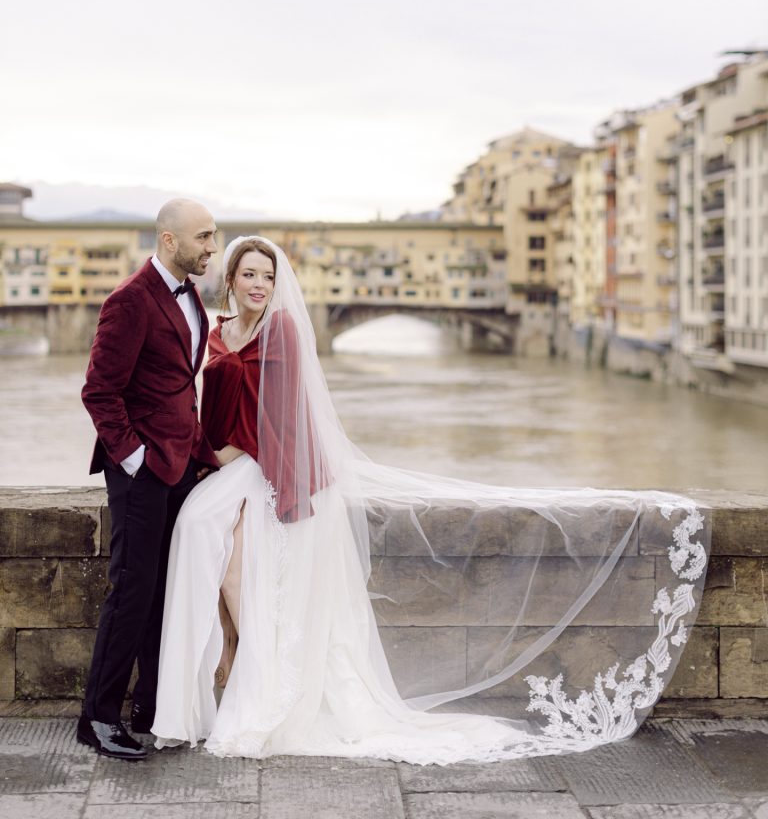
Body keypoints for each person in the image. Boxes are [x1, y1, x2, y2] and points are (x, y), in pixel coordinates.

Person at [152, 234, 709, 764]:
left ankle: (249, 668)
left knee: (228, 556)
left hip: (268, 463)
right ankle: (222, 655)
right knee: (204, 534)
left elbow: (288, 415)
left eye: (268, 276)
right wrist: (206, 453)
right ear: (230, 278)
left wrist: (245, 461)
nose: (259, 284)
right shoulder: (218, 331)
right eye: (249, 274)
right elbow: (200, 403)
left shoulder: (285, 331)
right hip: (224, 462)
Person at [77, 199, 219, 760]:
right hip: (141, 473)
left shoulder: (191, 299)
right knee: (131, 592)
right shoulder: (129, 301)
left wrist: (202, 455)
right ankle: (99, 718)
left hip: (180, 466)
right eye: (203, 236)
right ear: (168, 239)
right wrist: (133, 459)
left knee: (166, 591)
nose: (212, 246)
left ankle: (152, 705)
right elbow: (99, 392)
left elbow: (179, 389)